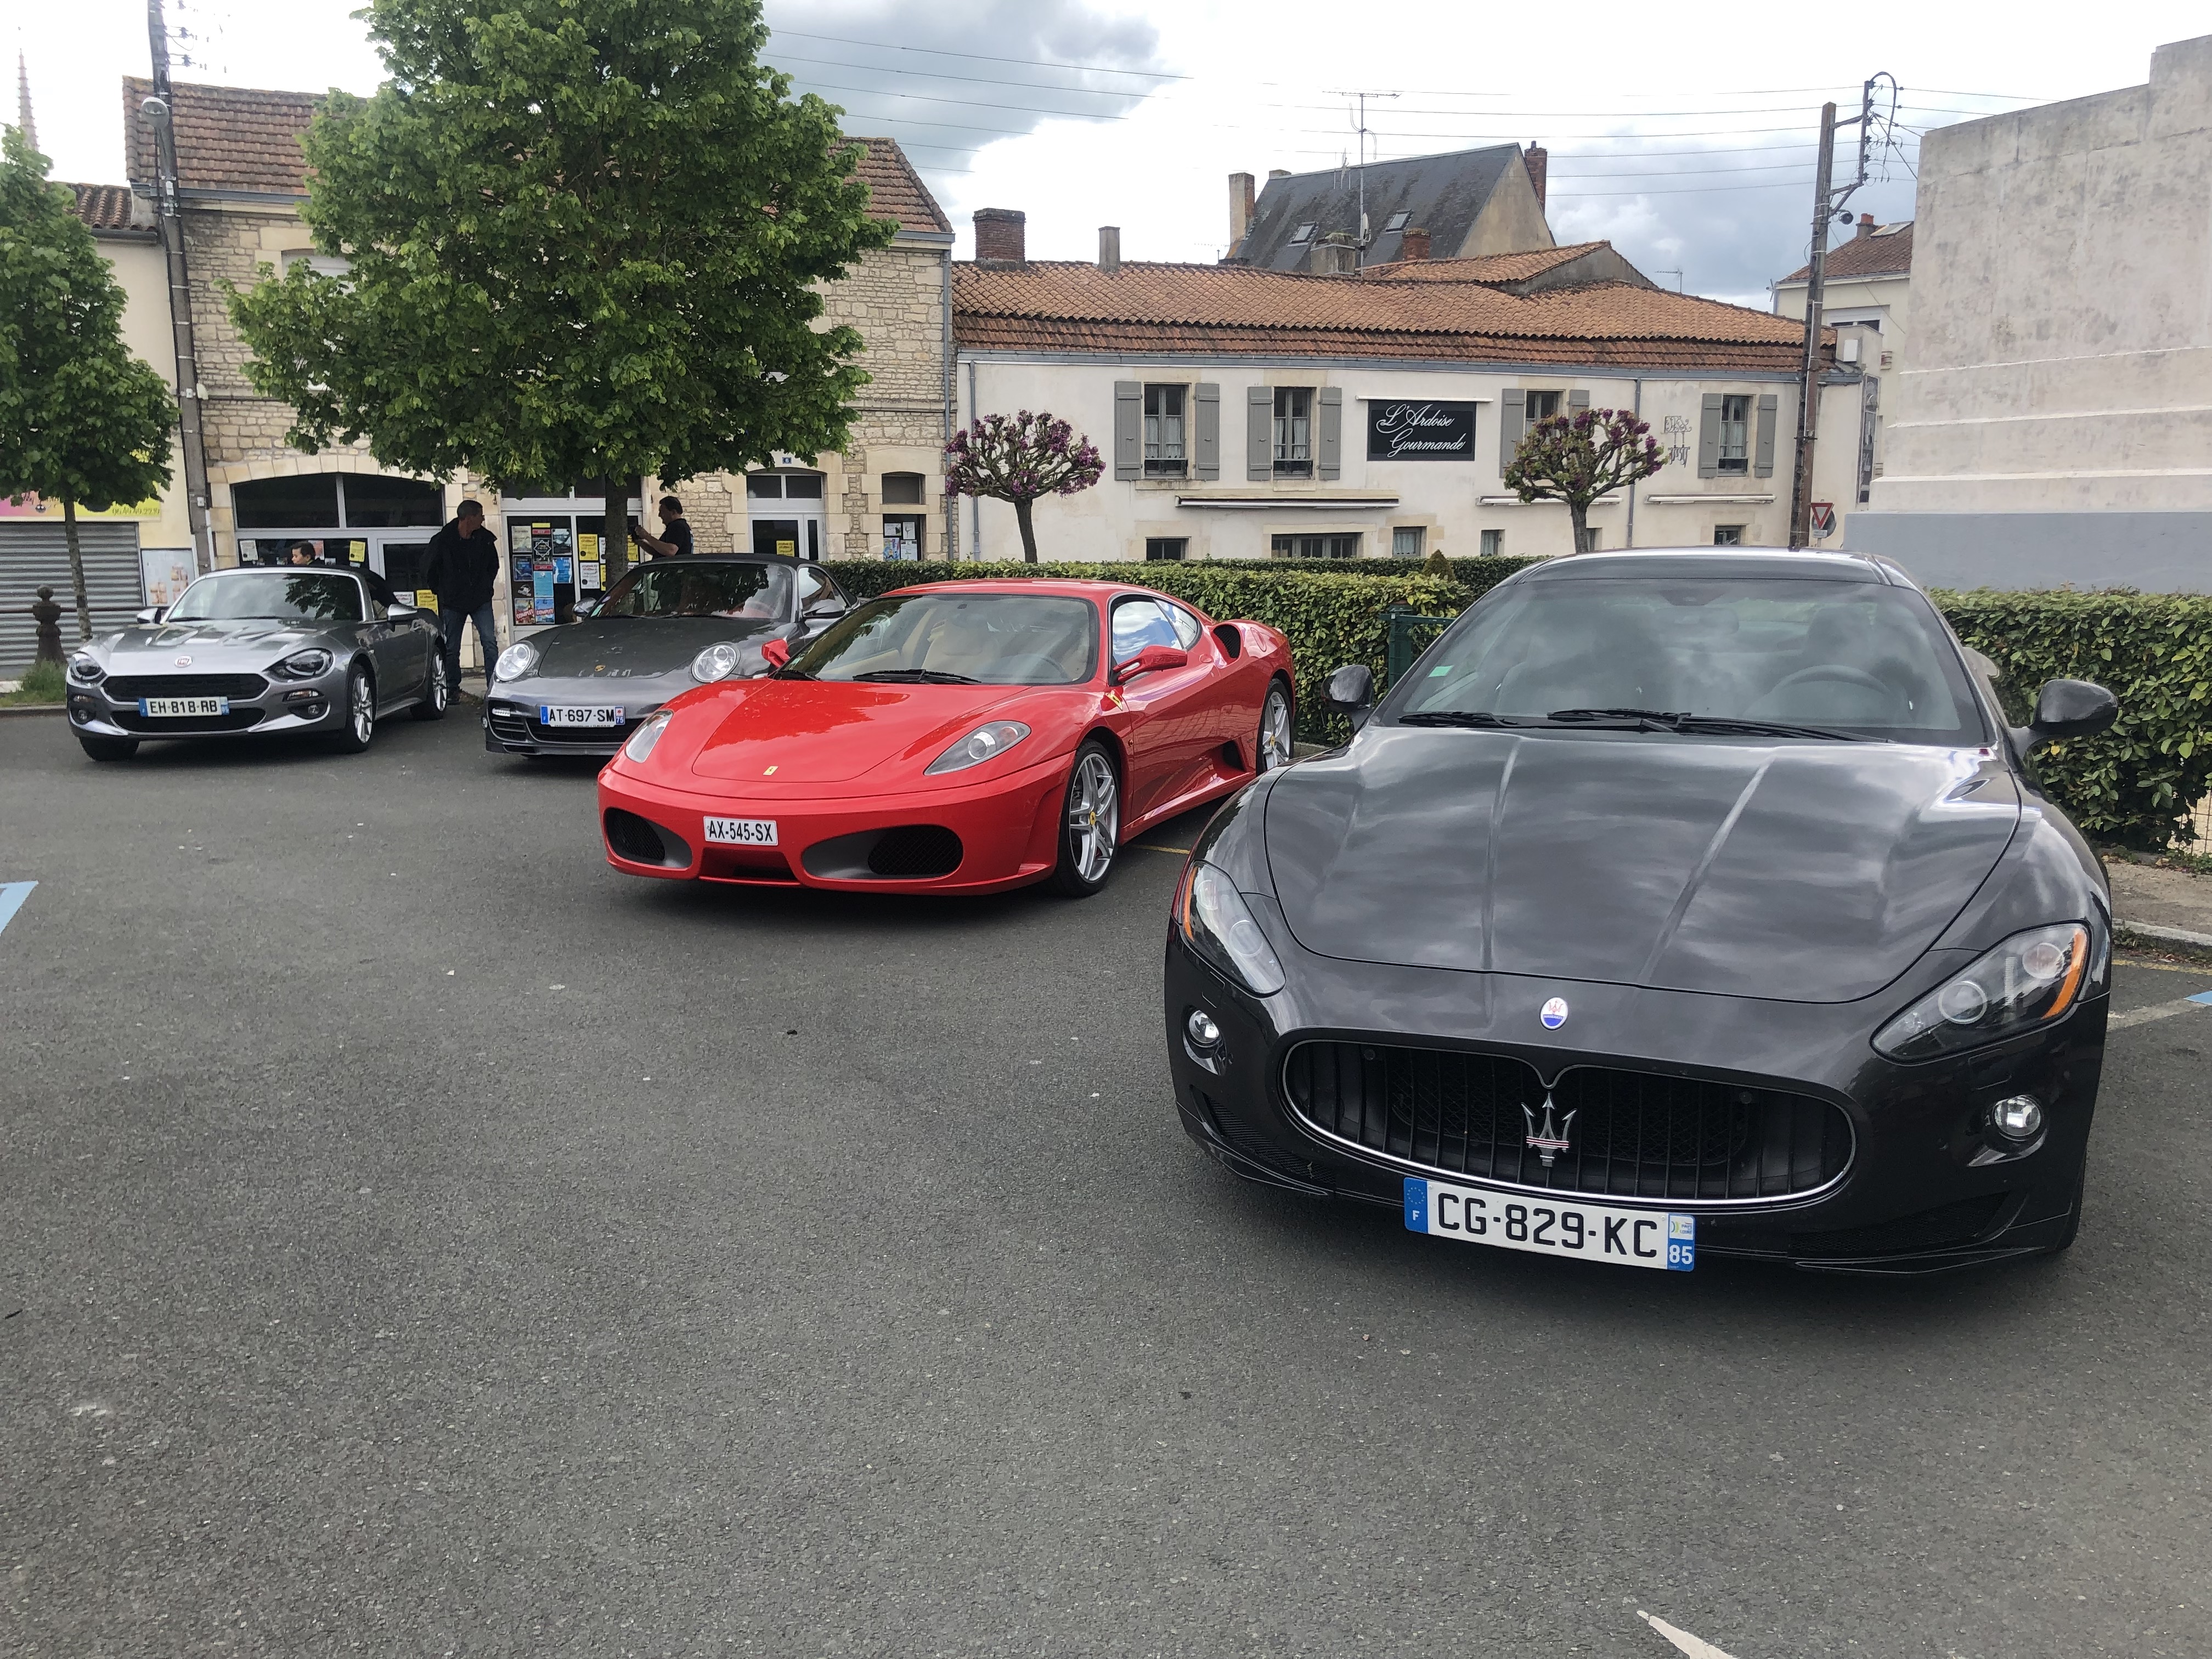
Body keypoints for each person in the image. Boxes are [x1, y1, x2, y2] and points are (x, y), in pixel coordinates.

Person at [423, 499, 503, 693]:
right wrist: (440, 591)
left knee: (490, 643)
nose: (483, 520)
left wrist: (485, 587)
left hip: (480, 600)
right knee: (452, 647)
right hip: (453, 602)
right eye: (480, 516)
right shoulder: (443, 540)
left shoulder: (484, 539)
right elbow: (428, 567)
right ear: (469, 518)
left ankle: (494, 688)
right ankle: (452, 689)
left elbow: (493, 566)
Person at [635, 495, 694, 560]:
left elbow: (671, 551)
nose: (660, 515)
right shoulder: (682, 526)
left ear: (673, 512)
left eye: (662, 511)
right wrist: (640, 542)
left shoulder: (677, 526)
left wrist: (647, 536)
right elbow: (658, 551)